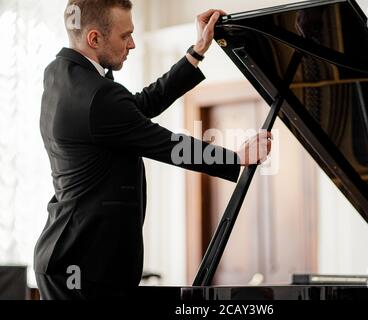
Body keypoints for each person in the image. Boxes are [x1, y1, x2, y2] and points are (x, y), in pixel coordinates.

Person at [34, 0, 272, 300]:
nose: (132, 44)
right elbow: (167, 145)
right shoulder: (97, 97)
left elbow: (137, 107)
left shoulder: (62, 73)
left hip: (70, 255)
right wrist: (236, 158)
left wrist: (196, 52)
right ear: (94, 38)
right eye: (125, 36)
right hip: (83, 266)